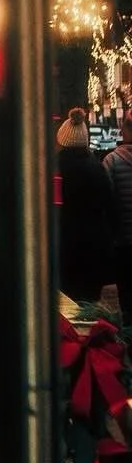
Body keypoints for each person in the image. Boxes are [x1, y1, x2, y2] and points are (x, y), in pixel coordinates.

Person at [56, 107, 114, 304]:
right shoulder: (97, 168)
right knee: (88, 300)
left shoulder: (53, 167)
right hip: (95, 246)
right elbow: (109, 205)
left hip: (63, 244)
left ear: (62, 139)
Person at [103, 114, 132, 324]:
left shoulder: (111, 161)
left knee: (127, 294)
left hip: (123, 242)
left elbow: (106, 201)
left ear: (125, 132)